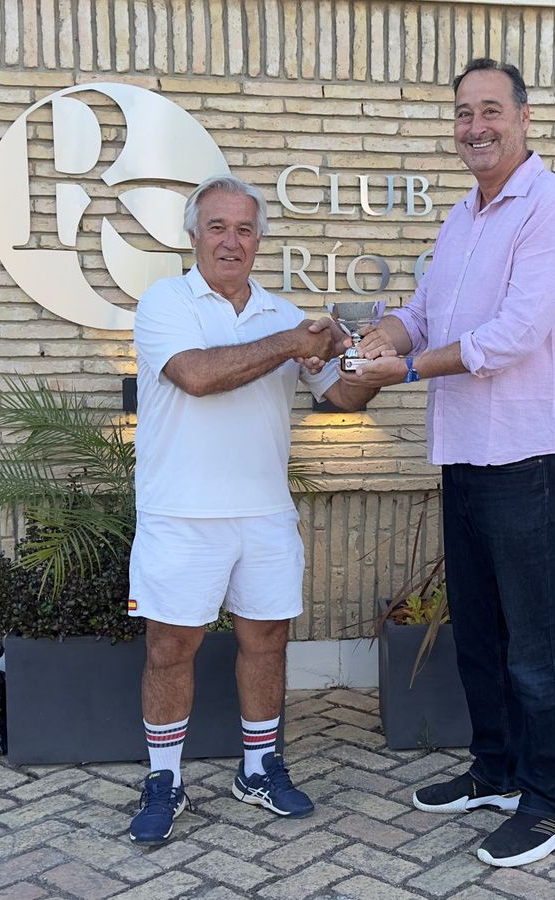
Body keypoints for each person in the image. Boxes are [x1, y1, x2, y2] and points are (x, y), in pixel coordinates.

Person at [340, 58, 555, 868]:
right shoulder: (464, 216)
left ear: (524, 119)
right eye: (462, 113)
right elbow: (427, 311)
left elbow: (514, 335)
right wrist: (388, 333)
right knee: (482, 631)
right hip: (467, 453)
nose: (474, 126)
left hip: (528, 456)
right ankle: (498, 773)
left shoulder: (554, 212)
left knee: (538, 641)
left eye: (489, 110)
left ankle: (554, 804)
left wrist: (407, 370)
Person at [126, 174, 374, 844]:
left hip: (264, 513)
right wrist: (294, 343)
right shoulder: (164, 302)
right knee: (169, 646)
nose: (230, 241)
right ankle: (165, 779)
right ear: (193, 235)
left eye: (243, 229)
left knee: (267, 642)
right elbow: (198, 376)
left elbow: (341, 399)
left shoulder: (283, 313)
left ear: (259, 239)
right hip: (180, 512)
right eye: (217, 227)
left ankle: (259, 767)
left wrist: (361, 359)